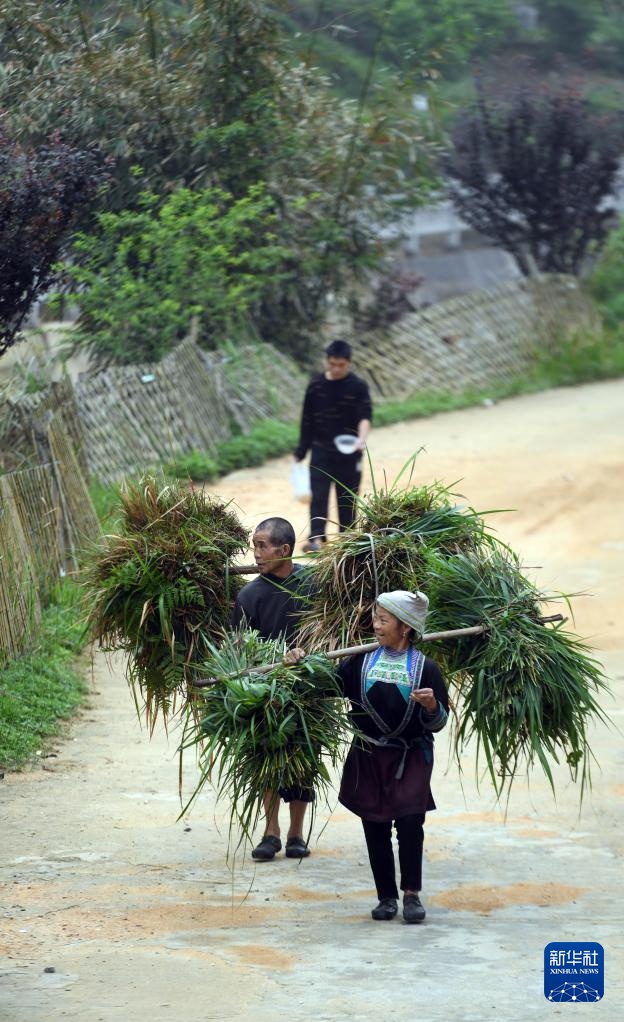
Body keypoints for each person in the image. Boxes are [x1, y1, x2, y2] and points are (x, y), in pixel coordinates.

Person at [334, 590, 449, 923]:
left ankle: (411, 894)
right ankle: (386, 897)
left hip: (410, 755)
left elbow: (439, 723)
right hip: (368, 752)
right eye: (375, 618)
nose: (376, 625)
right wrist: (301, 665)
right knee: (375, 822)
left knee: (411, 821)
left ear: (406, 628)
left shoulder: (426, 668)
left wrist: (430, 706)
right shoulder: (360, 661)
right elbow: (326, 685)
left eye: (383, 620)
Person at [231, 516, 314, 862]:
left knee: (304, 757)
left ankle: (296, 832)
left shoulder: (314, 584)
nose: (256, 553)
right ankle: (271, 831)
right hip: (264, 688)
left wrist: (306, 654)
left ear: (285, 549)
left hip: (308, 683)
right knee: (265, 757)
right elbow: (239, 650)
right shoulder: (249, 596)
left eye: (263, 545)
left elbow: (329, 627)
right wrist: (274, 659)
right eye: (254, 545)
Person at [294, 339, 372, 552]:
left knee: (347, 498)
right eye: (332, 364)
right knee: (318, 497)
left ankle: (348, 541)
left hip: (349, 452)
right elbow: (307, 420)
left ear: (349, 362)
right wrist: (301, 451)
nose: (336, 369)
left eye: (341, 365)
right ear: (327, 361)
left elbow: (365, 416)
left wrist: (361, 440)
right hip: (321, 450)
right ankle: (317, 539)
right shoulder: (316, 386)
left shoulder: (357, 386)